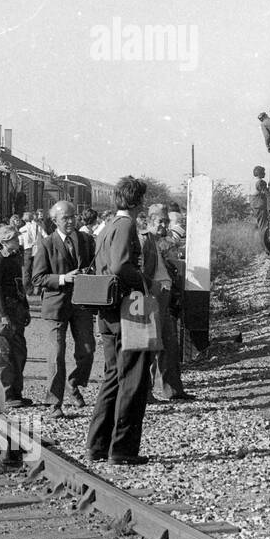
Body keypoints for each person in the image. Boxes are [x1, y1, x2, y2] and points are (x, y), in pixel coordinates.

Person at [85, 176, 155, 466]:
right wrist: (143, 281)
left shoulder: (109, 225)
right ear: (138, 201)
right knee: (135, 376)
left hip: (108, 308)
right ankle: (123, 449)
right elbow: (119, 265)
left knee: (113, 375)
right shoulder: (127, 225)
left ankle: (97, 445)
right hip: (131, 305)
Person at [32, 200, 96, 418]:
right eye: (64, 218)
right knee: (56, 354)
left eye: (72, 217)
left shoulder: (86, 240)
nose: (70, 222)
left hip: (81, 304)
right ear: (54, 221)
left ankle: (73, 383)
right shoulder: (46, 244)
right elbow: (38, 278)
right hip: (56, 305)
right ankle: (54, 403)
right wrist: (62, 278)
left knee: (87, 350)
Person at [143, 205, 194, 402]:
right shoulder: (145, 240)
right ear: (150, 221)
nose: (164, 225)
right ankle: (146, 392)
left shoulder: (159, 241)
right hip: (151, 298)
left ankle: (173, 389)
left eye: (166, 221)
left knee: (170, 345)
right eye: (160, 222)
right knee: (150, 346)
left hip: (164, 297)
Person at [0, 224, 32, 408]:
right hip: (3, 310)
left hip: (17, 309)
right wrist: (2, 315)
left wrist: (26, 307)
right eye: (14, 238)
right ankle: (4, 394)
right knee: (2, 353)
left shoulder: (15, 258)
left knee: (19, 352)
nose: (18, 241)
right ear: (4, 241)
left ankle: (16, 391)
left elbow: (19, 286)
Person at [18, 208, 47, 291]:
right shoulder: (38, 227)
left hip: (27, 250)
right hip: (37, 249)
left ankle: (27, 289)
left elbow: (21, 242)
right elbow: (46, 236)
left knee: (26, 270)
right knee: (37, 268)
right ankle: (37, 288)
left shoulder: (21, 229)